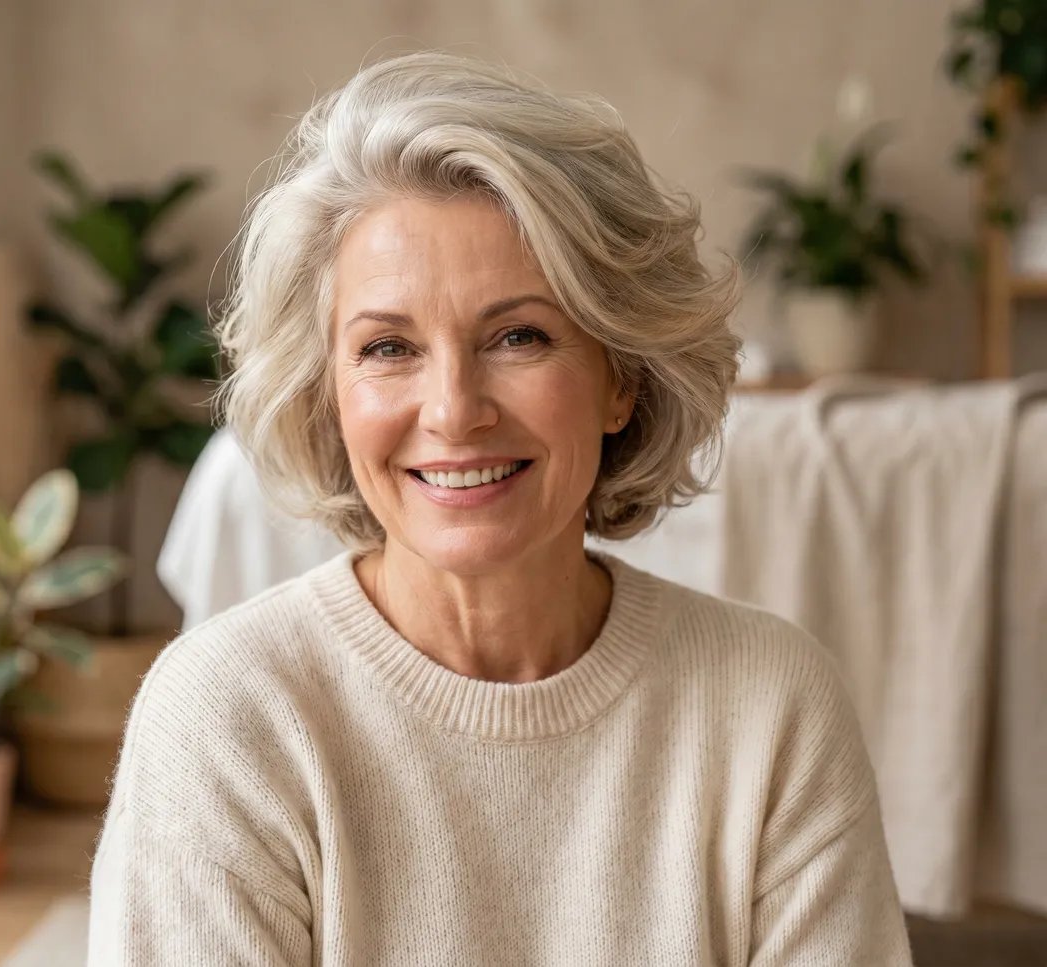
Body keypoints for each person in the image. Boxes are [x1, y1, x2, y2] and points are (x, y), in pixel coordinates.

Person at [88, 51, 912, 965]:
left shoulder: (774, 704)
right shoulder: (226, 716)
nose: (452, 410)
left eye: (518, 336)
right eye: (388, 347)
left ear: (621, 382)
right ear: (330, 396)